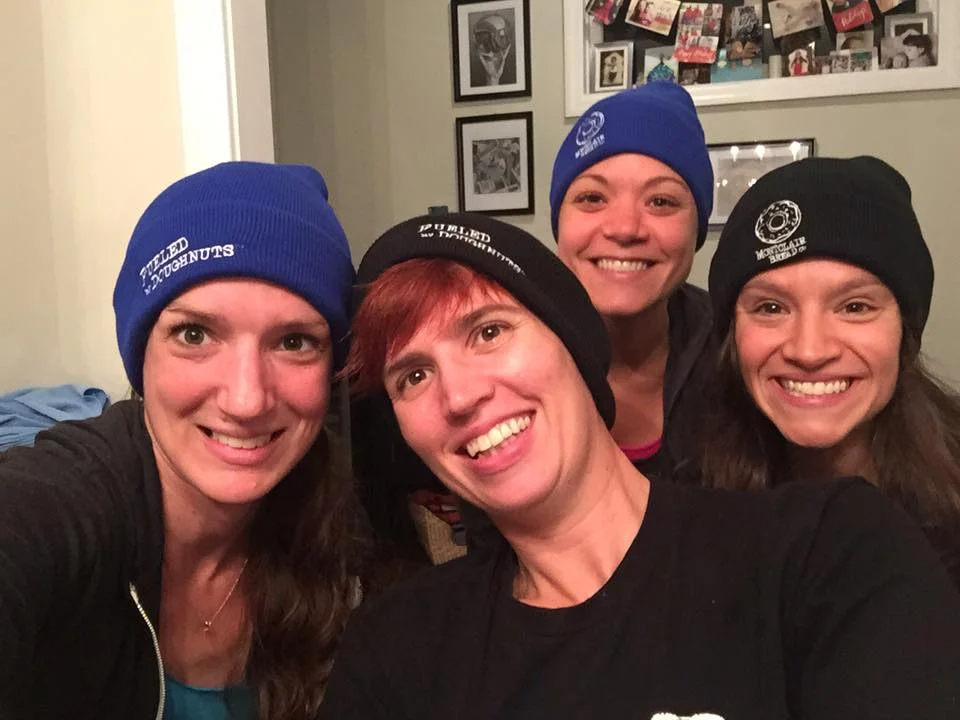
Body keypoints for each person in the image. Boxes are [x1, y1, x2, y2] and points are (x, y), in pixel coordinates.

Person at [321, 211, 960, 718]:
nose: (459, 397)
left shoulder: (825, 551)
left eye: (489, 332)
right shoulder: (396, 647)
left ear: (573, 345)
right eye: (413, 376)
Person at [0, 162, 365, 719]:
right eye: (195, 334)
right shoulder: (75, 497)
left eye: (294, 342)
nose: (247, 400)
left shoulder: (342, 538)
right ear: (141, 355)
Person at [703, 155, 960, 588]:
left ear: (905, 332)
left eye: (854, 307)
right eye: (771, 308)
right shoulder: (696, 502)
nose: (809, 350)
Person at [550, 83, 716, 479]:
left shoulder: (743, 356)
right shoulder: (504, 356)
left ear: (696, 229)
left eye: (661, 201)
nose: (625, 228)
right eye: (592, 198)